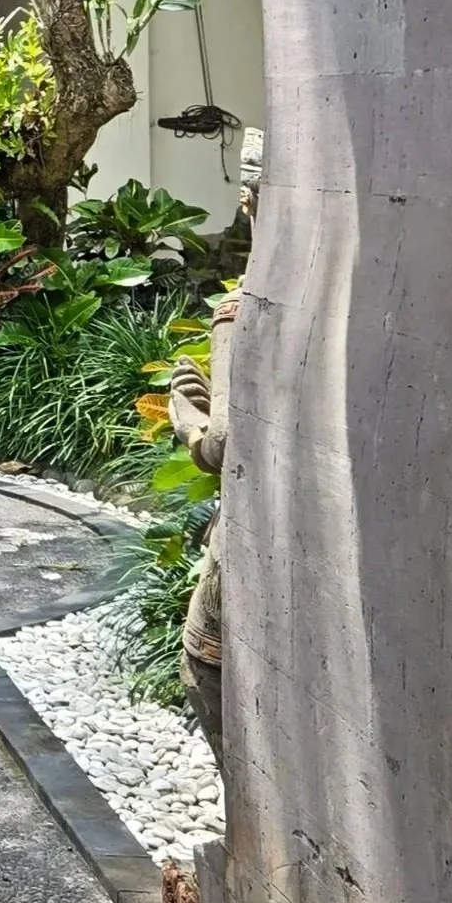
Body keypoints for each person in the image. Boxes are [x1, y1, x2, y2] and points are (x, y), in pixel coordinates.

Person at [168, 128, 262, 756]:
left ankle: (247, 839)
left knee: (205, 668)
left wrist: (188, 421)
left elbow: (225, 443)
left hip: (252, 536)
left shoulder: (242, 312)